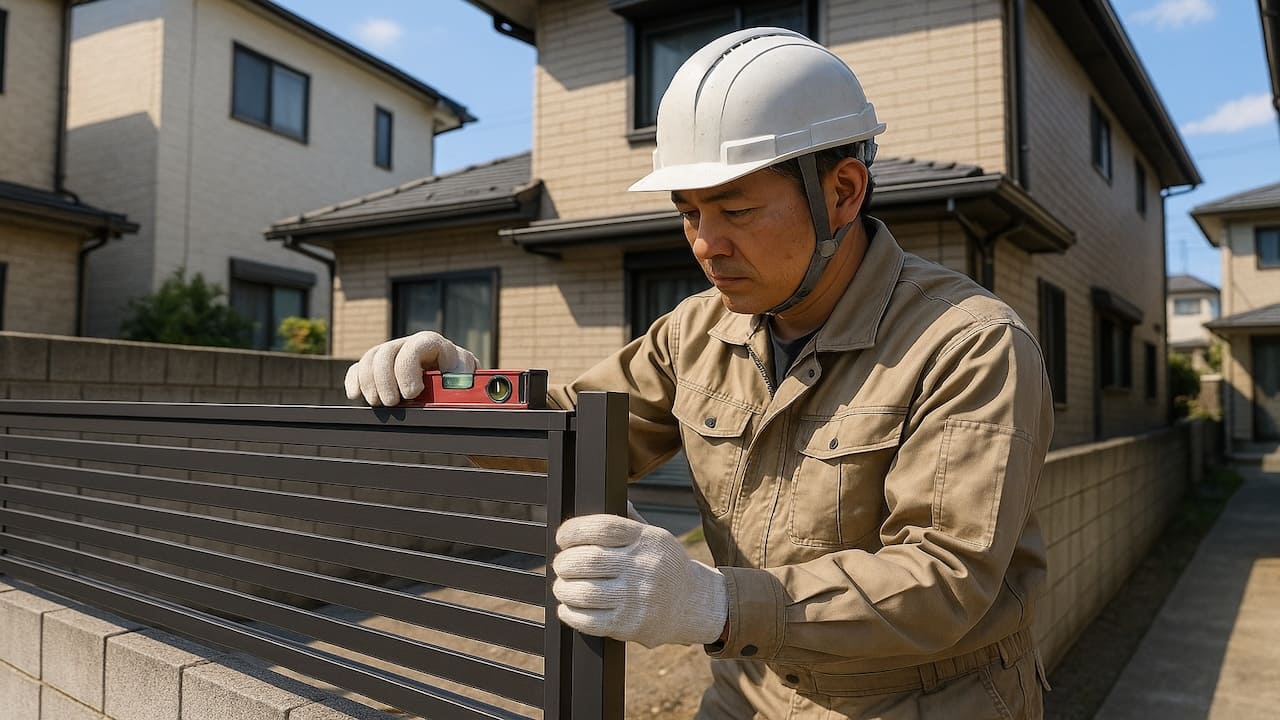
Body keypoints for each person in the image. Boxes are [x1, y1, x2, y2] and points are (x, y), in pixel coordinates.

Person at [347, 27, 1053, 720]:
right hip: (747, 691)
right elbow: (573, 429)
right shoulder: (697, 331)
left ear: (842, 191)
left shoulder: (967, 344)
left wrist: (714, 602)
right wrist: (462, 385)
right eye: (688, 214)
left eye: (737, 210)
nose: (706, 246)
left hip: (916, 701)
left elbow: (944, 579)